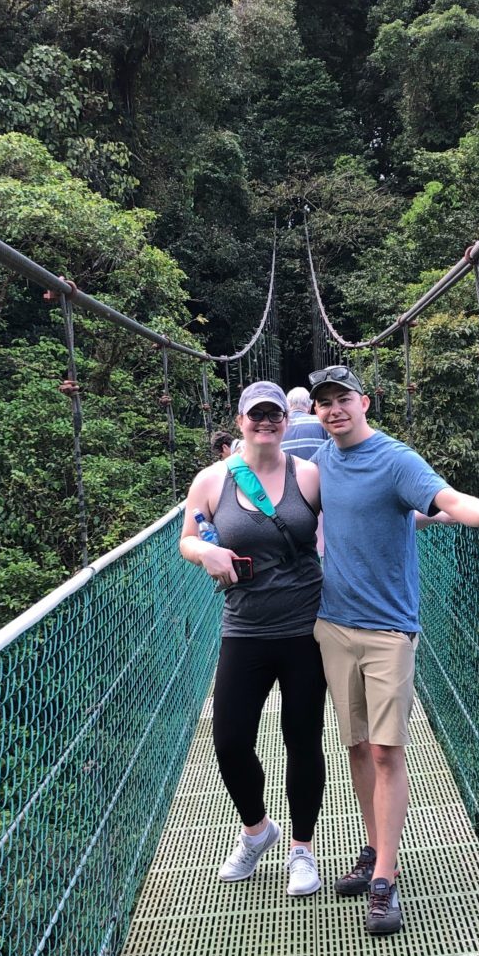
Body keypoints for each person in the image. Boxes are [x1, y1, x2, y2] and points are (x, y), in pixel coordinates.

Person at [309, 363, 479, 936]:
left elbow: (446, 499)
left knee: (385, 751)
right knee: (356, 745)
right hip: (331, 624)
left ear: (366, 403)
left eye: (343, 399)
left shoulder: (396, 459)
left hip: (388, 631)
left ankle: (385, 879)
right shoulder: (321, 461)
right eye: (324, 402)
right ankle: (373, 849)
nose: (334, 409)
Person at [179, 381, 327, 896]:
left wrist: (439, 512)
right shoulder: (212, 480)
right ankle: (258, 830)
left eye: (275, 414)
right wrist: (206, 554)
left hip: (307, 627)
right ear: (239, 421)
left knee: (302, 738)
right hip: (244, 627)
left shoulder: (308, 474)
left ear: (287, 420)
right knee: (230, 740)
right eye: (255, 414)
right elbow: (187, 538)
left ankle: (302, 850)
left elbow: (354, 516)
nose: (265, 422)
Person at [281, 386, 326, 460]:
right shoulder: (320, 421)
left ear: (288, 405)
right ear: (310, 406)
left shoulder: (279, 425)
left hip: (286, 470)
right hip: (315, 470)